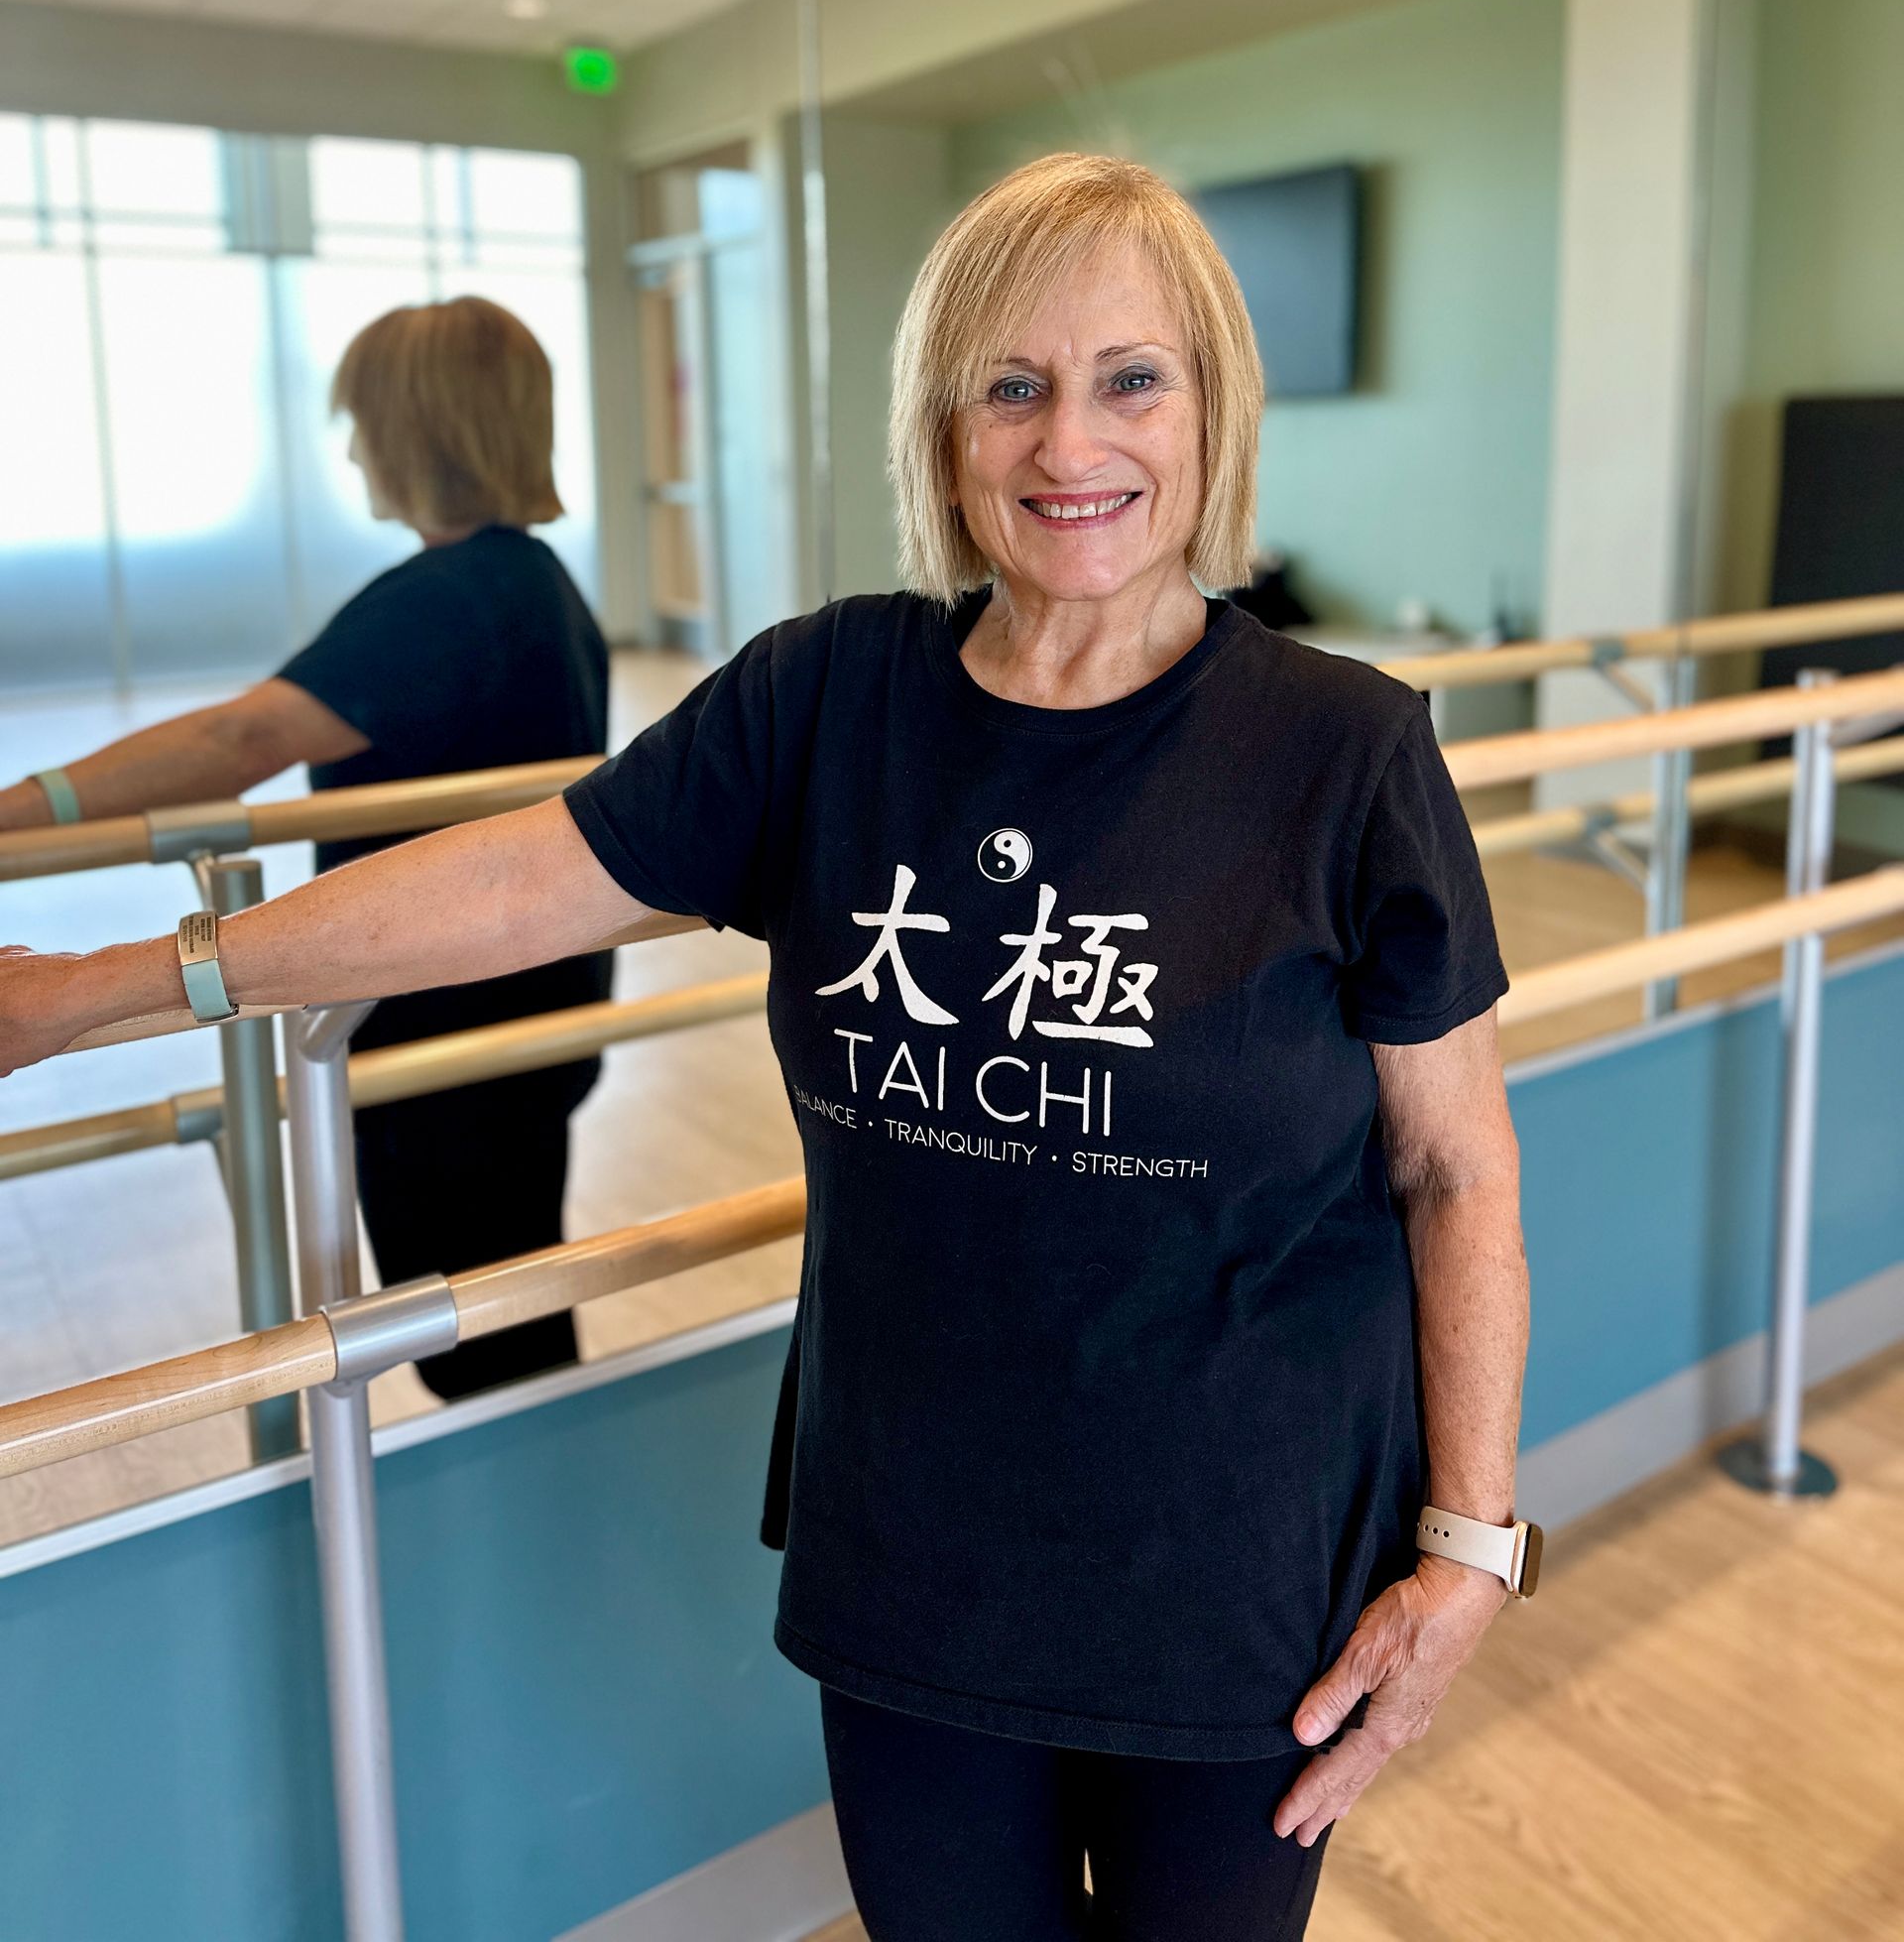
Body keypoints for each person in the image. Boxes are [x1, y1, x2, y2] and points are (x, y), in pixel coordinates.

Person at [3, 158, 1533, 1940]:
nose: (1068, 446)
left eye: (1132, 378)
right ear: (943, 429)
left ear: (1213, 407)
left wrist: (1471, 1546)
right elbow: (511, 885)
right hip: (914, 1570)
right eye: (1009, 386)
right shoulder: (831, 701)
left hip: (1243, 1591)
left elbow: (1454, 1165)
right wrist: (99, 988)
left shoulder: (1342, 756)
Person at [0, 296, 611, 1401]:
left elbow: (242, 736)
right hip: (516, 1007)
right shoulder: (534, 583)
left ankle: (547, 1531)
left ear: (419, 430)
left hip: (447, 1019)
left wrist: (15, 813)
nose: (352, 446)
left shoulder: (449, 598)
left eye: (364, 419)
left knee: (484, 1340)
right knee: (501, 1309)